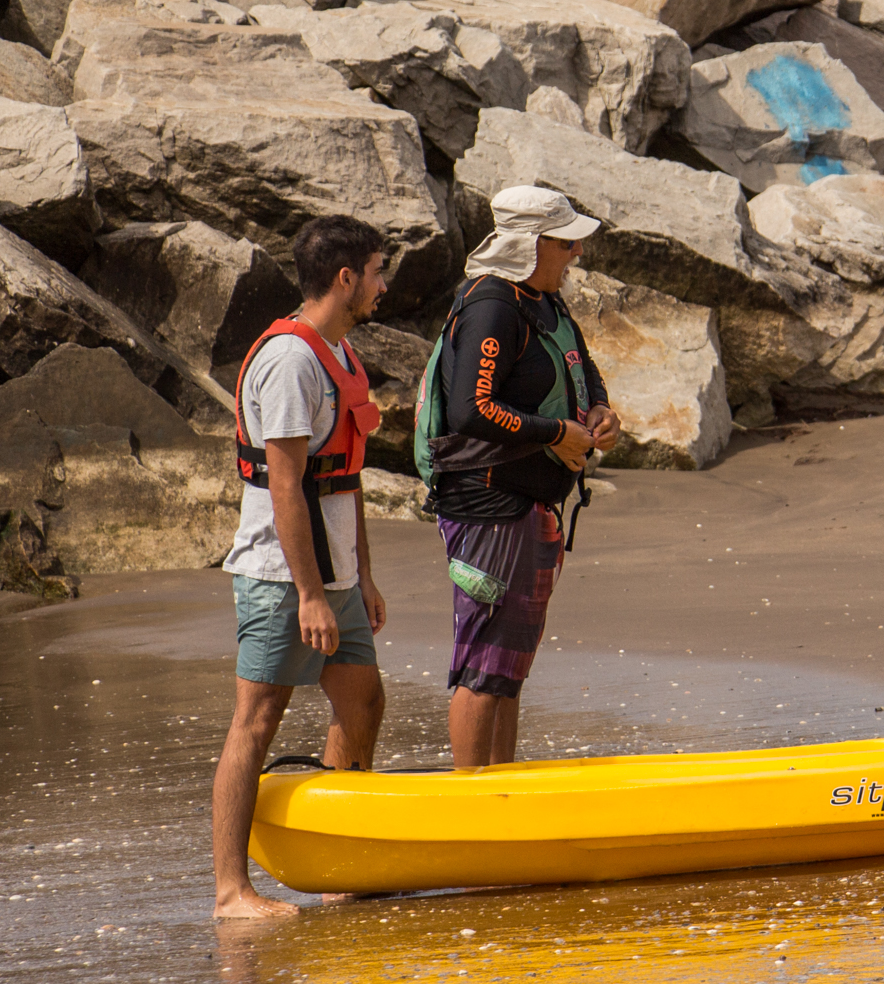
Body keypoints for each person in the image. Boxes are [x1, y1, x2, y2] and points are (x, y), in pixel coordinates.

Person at [212, 215, 391, 920]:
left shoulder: (341, 355)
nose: (384, 284)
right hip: (281, 579)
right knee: (256, 719)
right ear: (345, 279)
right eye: (377, 271)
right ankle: (231, 891)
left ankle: (339, 864)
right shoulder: (291, 362)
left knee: (364, 701)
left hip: (336, 577)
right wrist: (311, 594)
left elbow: (343, 479)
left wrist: (361, 576)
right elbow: (286, 485)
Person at [427, 186, 622, 770]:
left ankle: (501, 787)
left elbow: (581, 369)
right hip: (487, 504)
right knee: (485, 661)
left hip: (531, 503)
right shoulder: (492, 304)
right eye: (566, 243)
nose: (576, 255)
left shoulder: (547, 301)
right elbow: (470, 409)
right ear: (531, 244)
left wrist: (600, 414)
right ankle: (470, 803)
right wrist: (556, 434)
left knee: (510, 664)